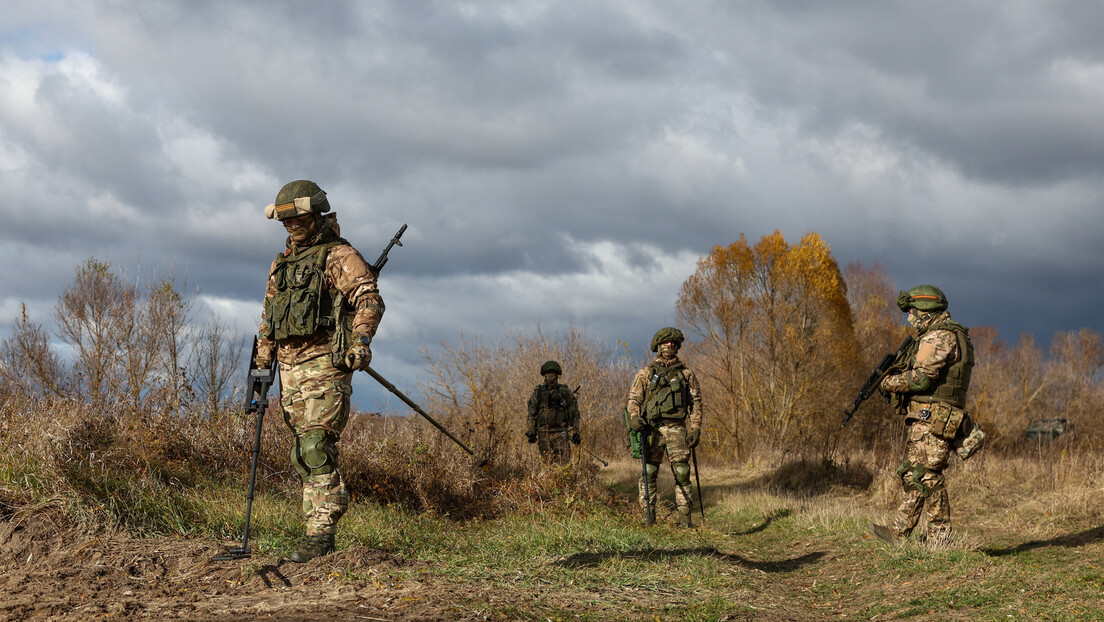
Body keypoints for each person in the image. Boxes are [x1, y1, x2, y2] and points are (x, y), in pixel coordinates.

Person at [254, 180, 384, 563]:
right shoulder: (281, 264)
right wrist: (261, 368)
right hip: (288, 370)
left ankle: (320, 534)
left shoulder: (339, 256)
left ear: (317, 213)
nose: (291, 225)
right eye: (285, 220)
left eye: (298, 218)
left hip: (326, 363)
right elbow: (268, 320)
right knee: (301, 452)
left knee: (315, 445)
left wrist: (361, 341)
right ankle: (314, 528)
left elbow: (369, 299)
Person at [868, 285, 979, 546]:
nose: (910, 318)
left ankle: (940, 539)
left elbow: (921, 380)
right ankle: (899, 532)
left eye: (913, 312)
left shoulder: (939, 336)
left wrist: (888, 383)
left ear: (927, 312)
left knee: (929, 476)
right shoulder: (950, 334)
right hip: (930, 418)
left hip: (935, 419)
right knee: (916, 473)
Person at [626, 327, 703, 528]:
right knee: (649, 471)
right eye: (665, 343)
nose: (669, 345)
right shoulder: (645, 373)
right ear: (658, 346)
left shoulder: (687, 374)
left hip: (677, 428)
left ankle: (685, 520)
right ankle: (648, 518)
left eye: (672, 343)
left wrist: (695, 428)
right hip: (653, 429)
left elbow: (695, 402)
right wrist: (634, 418)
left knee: (682, 472)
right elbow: (634, 399)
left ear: (677, 346)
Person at [526, 360, 581, 464]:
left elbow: (574, 414)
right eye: (548, 374)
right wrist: (532, 432)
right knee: (547, 463)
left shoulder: (564, 392)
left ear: (557, 375)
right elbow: (531, 413)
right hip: (544, 434)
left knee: (563, 463)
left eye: (552, 374)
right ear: (544, 375)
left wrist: (576, 433)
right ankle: (550, 480)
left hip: (561, 433)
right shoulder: (538, 393)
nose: (550, 376)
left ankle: (561, 480)